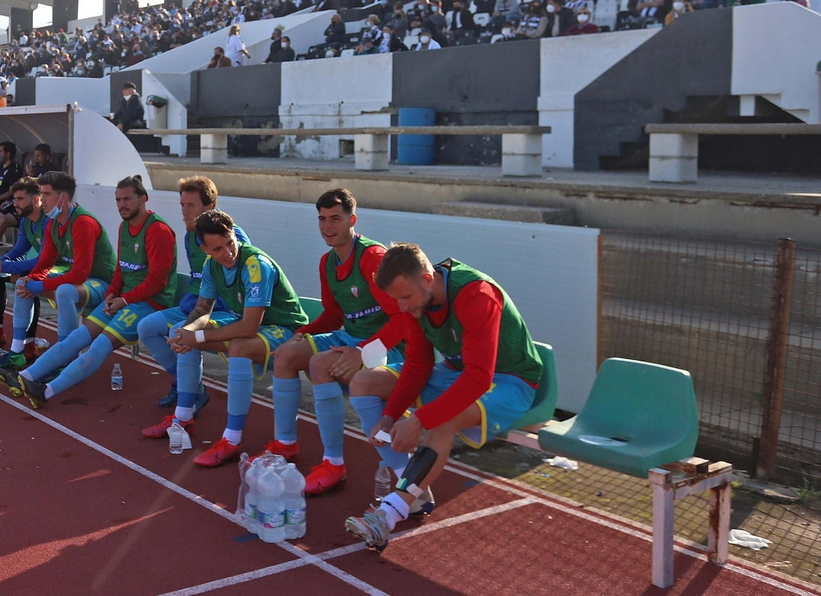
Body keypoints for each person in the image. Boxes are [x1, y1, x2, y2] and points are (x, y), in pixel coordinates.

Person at [343, 244, 545, 550]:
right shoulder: (417, 299)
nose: (402, 308)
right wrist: (390, 415)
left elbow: (479, 378)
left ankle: (388, 515)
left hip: (509, 381)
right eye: (396, 300)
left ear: (427, 279)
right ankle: (412, 487)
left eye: (405, 297)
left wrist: (419, 421)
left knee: (442, 420)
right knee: (363, 382)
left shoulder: (476, 294)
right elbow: (418, 363)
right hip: (455, 371)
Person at [260, 189, 408, 495]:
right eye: (322, 219)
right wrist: (304, 332)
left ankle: (334, 463)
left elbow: (404, 319)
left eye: (336, 219)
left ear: (352, 220)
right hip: (350, 337)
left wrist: (362, 351)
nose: (328, 226)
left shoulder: (372, 257)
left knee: (320, 364)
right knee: (286, 354)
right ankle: (285, 444)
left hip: (387, 346)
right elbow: (333, 314)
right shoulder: (327, 262)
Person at [141, 208, 309, 468]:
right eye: (218, 249)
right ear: (205, 249)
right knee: (180, 332)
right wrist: (188, 333)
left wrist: (197, 336)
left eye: (230, 243)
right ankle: (183, 417)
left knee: (238, 347)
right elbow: (201, 309)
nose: (228, 252)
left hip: (285, 328)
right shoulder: (211, 265)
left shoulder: (255, 265)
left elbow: (249, 327)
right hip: (249, 323)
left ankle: (231, 440)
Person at [1, 176, 177, 409]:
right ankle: (25, 376)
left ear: (143, 199)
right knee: (77, 338)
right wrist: (113, 293)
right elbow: (121, 269)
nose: (121, 205)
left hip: (150, 303)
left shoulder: (157, 230)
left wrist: (123, 299)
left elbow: (157, 281)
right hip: (123, 298)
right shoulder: (125, 226)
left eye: (127, 199)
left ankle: (47, 391)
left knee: (100, 345)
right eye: (118, 200)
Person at [135, 176, 246, 409]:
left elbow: (242, 287)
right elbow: (200, 280)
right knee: (146, 327)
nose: (185, 212)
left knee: (181, 332)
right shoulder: (190, 236)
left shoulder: (232, 238)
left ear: (210, 206)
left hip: (225, 311)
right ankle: (190, 386)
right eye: (182, 205)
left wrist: (194, 322)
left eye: (191, 206)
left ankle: (186, 407)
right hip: (197, 305)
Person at [12, 171, 116, 342]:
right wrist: (32, 279)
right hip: (81, 280)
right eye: (41, 193)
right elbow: (45, 262)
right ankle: (18, 348)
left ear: (63, 197)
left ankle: (66, 350)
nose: (42, 199)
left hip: (102, 282)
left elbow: (80, 274)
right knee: (22, 284)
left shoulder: (83, 223)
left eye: (47, 194)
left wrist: (40, 285)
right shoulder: (53, 223)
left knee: (65, 291)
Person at [0, 179, 49, 362]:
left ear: (36, 200)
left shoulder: (49, 222)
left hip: (55, 269)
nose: (15, 203)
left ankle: (29, 345)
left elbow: (42, 261)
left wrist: (4, 266)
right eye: (14, 199)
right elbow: (18, 251)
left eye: (20, 199)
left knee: (27, 280)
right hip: (42, 267)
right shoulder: (26, 221)